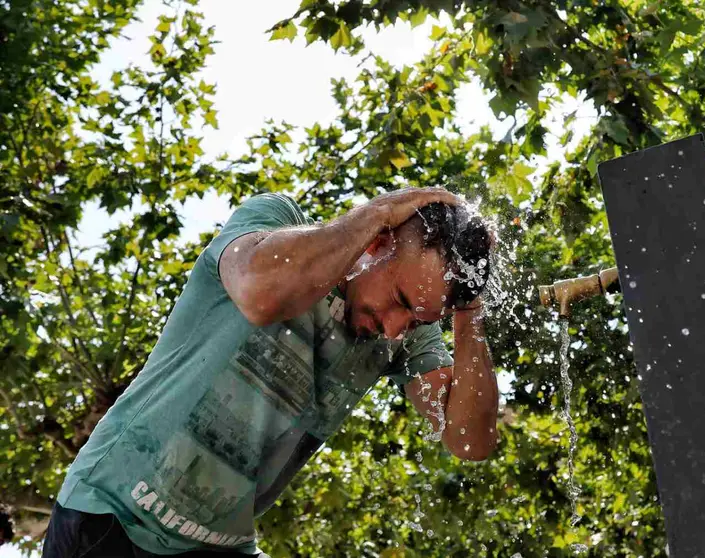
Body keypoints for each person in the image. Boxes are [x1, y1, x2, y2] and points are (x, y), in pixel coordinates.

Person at [42, 187, 498, 557]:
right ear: (377, 243)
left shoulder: (406, 338)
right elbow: (259, 293)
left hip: (219, 545)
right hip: (111, 518)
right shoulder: (274, 223)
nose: (397, 328)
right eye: (400, 301)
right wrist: (379, 212)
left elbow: (468, 440)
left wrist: (468, 311)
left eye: (419, 319)